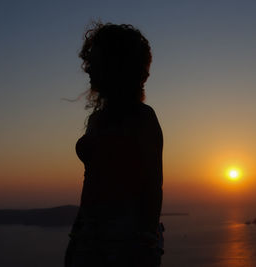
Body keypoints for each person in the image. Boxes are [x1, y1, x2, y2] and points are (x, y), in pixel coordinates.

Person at [65, 22, 164, 267]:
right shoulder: (99, 119)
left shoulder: (141, 118)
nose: (88, 68)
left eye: (95, 60)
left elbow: (151, 191)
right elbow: (91, 185)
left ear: (116, 65)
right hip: (89, 244)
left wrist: (143, 249)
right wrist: (76, 242)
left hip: (122, 251)